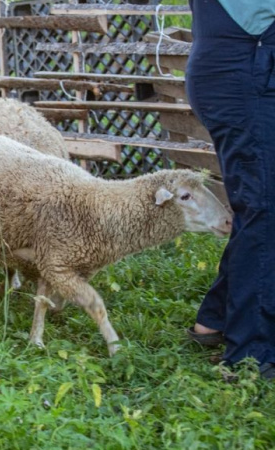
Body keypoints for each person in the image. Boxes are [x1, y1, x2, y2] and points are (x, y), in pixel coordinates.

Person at [185, 0, 275, 380]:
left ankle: (215, 319)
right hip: (243, 70)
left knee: (261, 203)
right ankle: (251, 353)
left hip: (243, 67)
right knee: (264, 206)